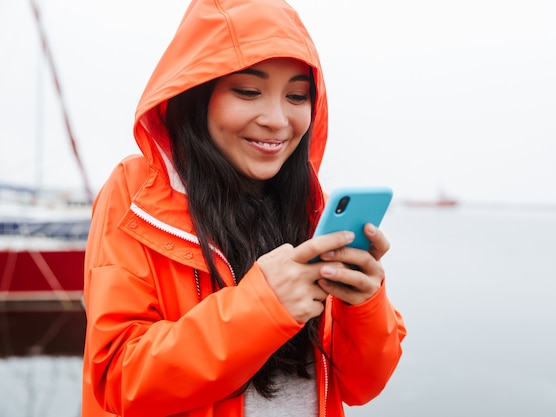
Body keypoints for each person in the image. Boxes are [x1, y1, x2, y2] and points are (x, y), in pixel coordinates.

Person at [81, 0, 406, 416]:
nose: (276, 119)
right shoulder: (137, 190)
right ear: (198, 94)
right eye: (248, 91)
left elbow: (363, 384)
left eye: (296, 96)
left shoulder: (306, 205)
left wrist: (362, 305)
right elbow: (117, 377)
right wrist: (264, 309)